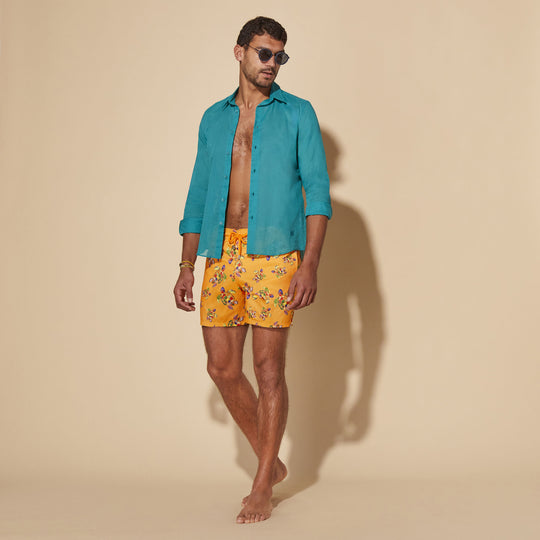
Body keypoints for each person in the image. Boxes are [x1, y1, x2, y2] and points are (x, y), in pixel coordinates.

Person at [173, 16, 332, 524]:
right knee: (221, 367)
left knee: (268, 370)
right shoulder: (213, 118)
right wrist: (186, 265)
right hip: (221, 254)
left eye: (280, 56)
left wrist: (309, 265)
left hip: (275, 257)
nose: (272, 64)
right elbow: (198, 194)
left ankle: (263, 481)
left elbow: (318, 194)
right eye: (264, 53)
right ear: (239, 51)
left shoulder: (298, 113)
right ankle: (273, 460)